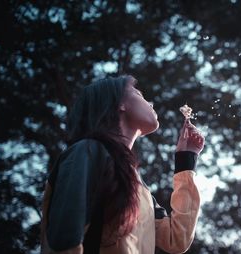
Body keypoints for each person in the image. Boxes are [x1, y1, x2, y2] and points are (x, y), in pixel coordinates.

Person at [40, 75, 205, 254]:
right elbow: (64, 240)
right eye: (139, 94)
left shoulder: (139, 187)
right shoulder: (87, 152)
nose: (150, 103)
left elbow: (176, 239)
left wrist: (186, 159)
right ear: (120, 104)